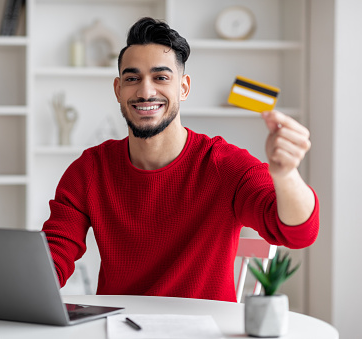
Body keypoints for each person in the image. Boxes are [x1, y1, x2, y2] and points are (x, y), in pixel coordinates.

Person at [42, 17, 319, 302]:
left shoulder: (225, 165)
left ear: (183, 88)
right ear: (118, 90)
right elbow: (53, 256)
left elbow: (299, 234)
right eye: (132, 78)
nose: (145, 91)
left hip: (207, 329)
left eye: (161, 77)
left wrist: (286, 175)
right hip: (120, 326)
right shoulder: (90, 169)